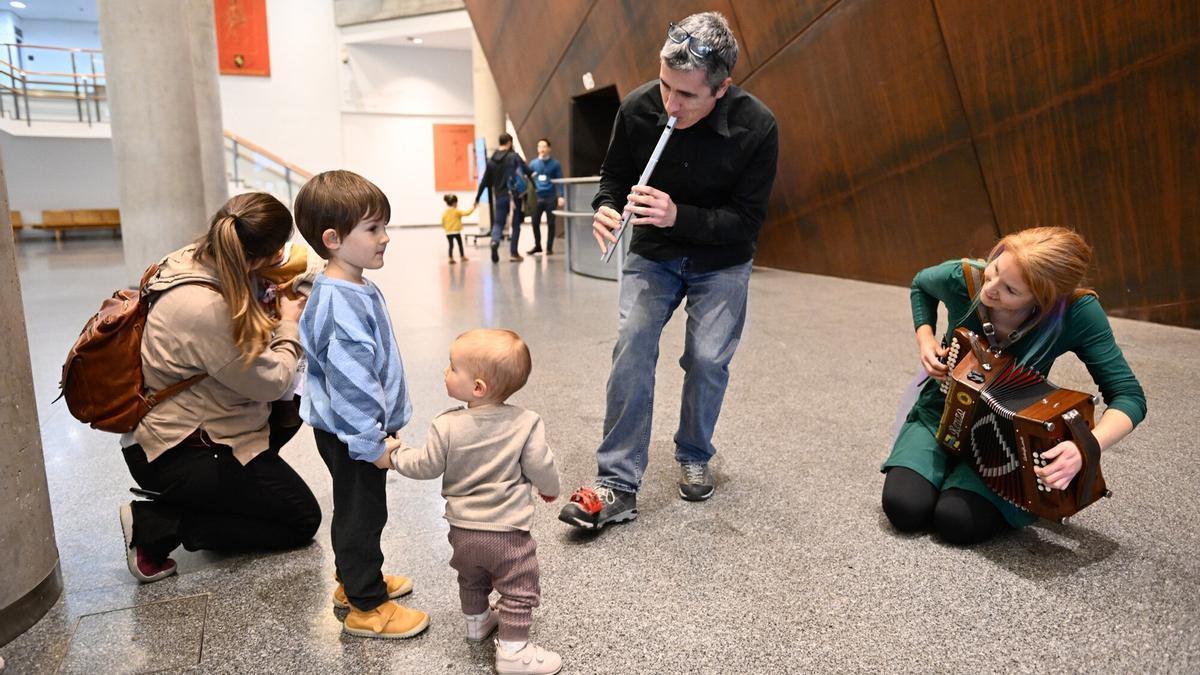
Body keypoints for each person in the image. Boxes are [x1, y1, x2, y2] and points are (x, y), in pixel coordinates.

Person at [558, 11, 778, 530]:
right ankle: (616, 482)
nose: (669, 105)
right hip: (654, 251)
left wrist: (681, 215)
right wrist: (607, 207)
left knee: (706, 359)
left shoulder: (758, 126)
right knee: (631, 345)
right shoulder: (639, 107)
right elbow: (614, 176)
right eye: (664, 86)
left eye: (686, 96)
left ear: (721, 90)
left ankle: (695, 450)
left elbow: (747, 221)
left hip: (722, 259)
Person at [881, 227, 1147, 545]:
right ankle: (944, 469)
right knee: (905, 507)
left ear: (1045, 299)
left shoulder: (1076, 313)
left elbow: (1129, 396)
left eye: (1010, 290)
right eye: (994, 269)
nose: (989, 289)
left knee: (956, 521)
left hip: (1007, 440)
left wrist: (1086, 447)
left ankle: (961, 481)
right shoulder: (966, 278)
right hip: (940, 411)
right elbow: (920, 285)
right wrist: (925, 338)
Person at [119, 192, 321, 583]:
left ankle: (223, 500)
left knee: (285, 422)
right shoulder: (204, 308)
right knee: (300, 518)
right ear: (262, 253)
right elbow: (270, 382)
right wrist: (289, 326)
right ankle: (159, 525)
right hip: (182, 449)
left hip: (179, 426)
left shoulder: (194, 257)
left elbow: (304, 262)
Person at [293, 170, 430, 639]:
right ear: (333, 239)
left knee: (361, 509)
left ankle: (353, 580)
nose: (385, 238)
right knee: (362, 513)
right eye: (373, 229)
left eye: (384, 226)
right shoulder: (341, 301)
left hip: (357, 429)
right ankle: (366, 605)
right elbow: (351, 383)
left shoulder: (354, 284)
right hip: (354, 433)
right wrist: (370, 442)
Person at [388, 329, 561, 674]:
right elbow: (541, 465)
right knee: (518, 587)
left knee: (472, 578)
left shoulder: (447, 424)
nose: (445, 372)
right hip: (507, 532)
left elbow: (425, 465)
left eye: (452, 367)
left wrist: (394, 456)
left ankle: (478, 621)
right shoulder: (526, 423)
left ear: (478, 387)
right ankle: (514, 653)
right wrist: (550, 488)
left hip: (461, 531)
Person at [474, 133, 533, 263]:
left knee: (498, 223)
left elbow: (484, 181)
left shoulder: (491, 160)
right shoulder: (514, 157)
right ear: (509, 142)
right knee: (516, 225)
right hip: (514, 197)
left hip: (500, 196)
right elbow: (527, 171)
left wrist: (477, 198)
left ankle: (495, 241)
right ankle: (513, 253)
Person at [527, 138, 564, 255]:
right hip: (537, 198)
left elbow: (559, 180)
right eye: (539, 146)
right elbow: (528, 179)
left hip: (550, 197)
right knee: (534, 222)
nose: (541, 149)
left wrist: (561, 196)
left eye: (544, 146)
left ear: (549, 148)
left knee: (551, 223)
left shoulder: (555, 164)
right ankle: (538, 245)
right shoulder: (533, 164)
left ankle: (549, 247)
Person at [442, 193, 474, 264]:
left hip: (448, 232)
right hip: (456, 232)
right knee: (460, 244)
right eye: (456, 203)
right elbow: (467, 213)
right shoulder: (456, 211)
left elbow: (443, 221)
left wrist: (445, 228)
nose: (457, 204)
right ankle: (462, 256)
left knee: (451, 245)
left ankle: (450, 258)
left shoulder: (445, 212)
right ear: (454, 203)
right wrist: (473, 208)